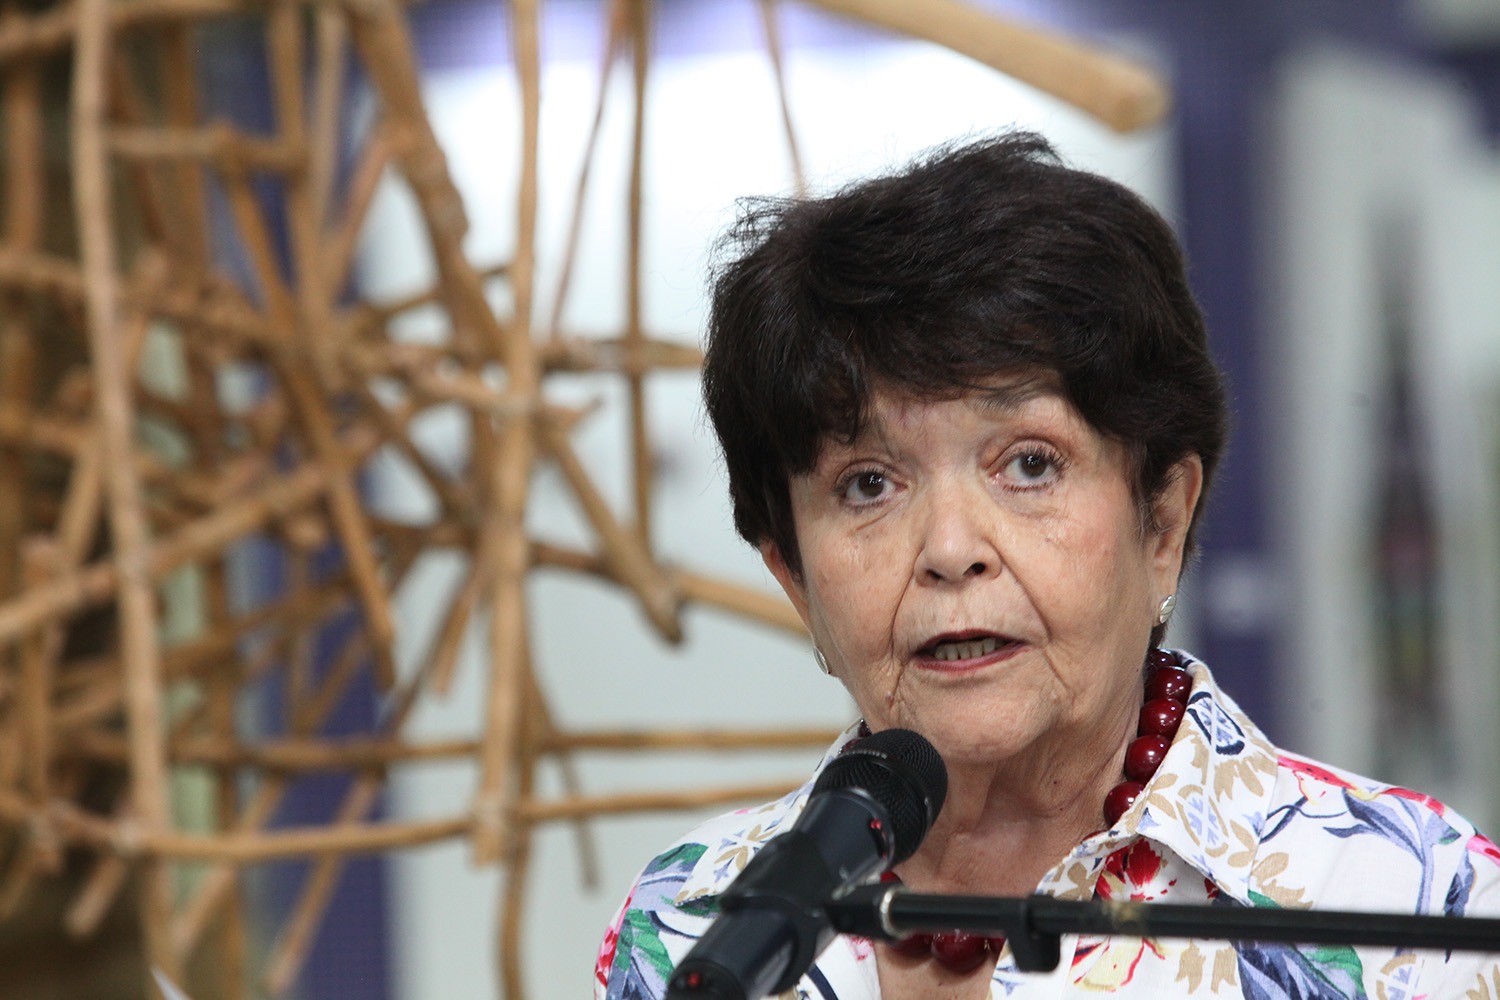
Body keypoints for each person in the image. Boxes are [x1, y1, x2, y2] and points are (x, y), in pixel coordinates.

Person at [593, 132, 1500, 999]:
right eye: (868, 484)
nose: (951, 551)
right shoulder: (694, 927)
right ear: (793, 575)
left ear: (1162, 523)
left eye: (1030, 464)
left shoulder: (1416, 912)